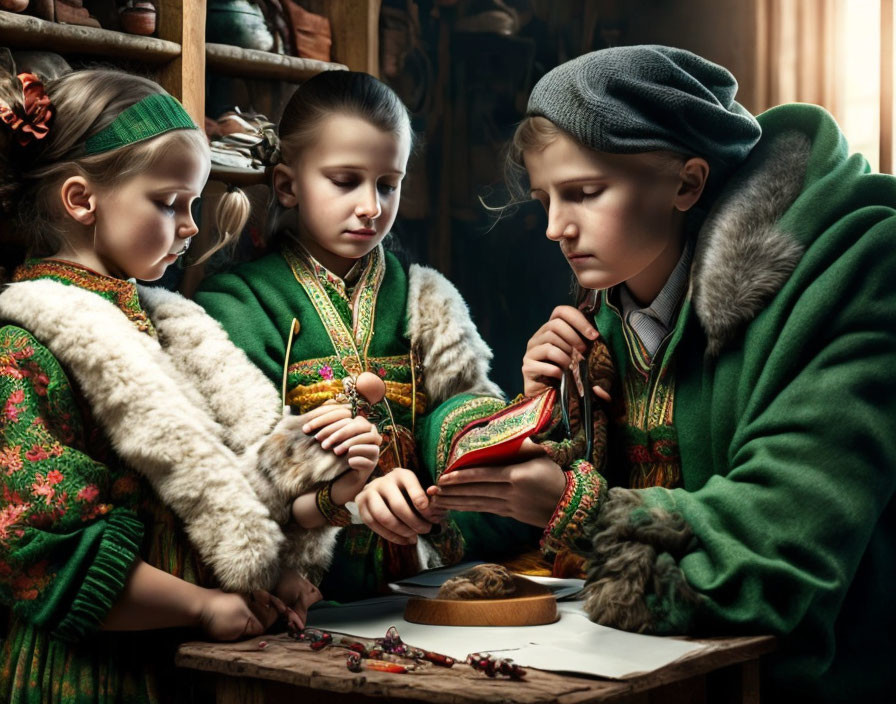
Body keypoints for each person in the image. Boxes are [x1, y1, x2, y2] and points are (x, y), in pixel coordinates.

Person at [427, 45, 896, 702]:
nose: (556, 228)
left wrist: (574, 505)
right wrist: (547, 411)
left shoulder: (853, 270)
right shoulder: (611, 303)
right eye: (546, 199)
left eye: (585, 193)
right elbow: (541, 528)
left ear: (687, 183)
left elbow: (783, 546)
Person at [0, 66, 382, 702]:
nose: (191, 227)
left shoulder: (168, 327)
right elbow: (37, 547)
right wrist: (199, 606)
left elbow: (210, 502)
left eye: (194, 204)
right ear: (80, 199)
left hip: (191, 659)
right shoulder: (22, 346)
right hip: (96, 673)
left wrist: (272, 569)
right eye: (168, 202)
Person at [195, 70, 539, 600]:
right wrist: (338, 486)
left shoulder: (427, 301)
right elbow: (230, 481)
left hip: (427, 583)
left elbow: (468, 421)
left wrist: (463, 456)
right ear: (287, 184)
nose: (372, 207)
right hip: (300, 596)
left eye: (388, 183)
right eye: (344, 180)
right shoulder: (235, 305)